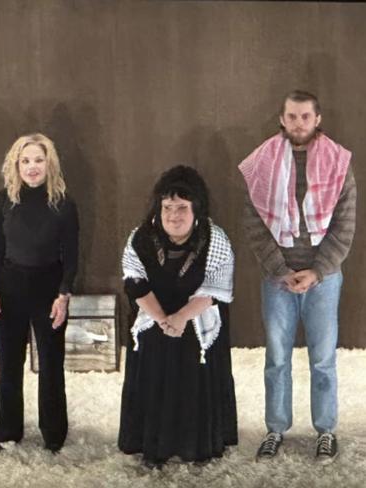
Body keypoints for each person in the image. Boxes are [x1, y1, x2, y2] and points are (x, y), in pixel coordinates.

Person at [240, 90, 356, 463]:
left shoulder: (339, 163)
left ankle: (326, 431)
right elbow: (253, 221)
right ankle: (275, 429)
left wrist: (318, 271)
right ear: (282, 118)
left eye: (305, 117)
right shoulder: (261, 163)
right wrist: (280, 269)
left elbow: (345, 225)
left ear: (317, 119)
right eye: (292, 116)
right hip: (278, 277)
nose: (298, 124)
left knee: (323, 359)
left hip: (324, 277)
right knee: (277, 358)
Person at [118, 165, 237, 469]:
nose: (174, 215)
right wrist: (162, 319)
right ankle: (151, 444)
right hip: (154, 314)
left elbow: (215, 289)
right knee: (154, 348)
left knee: (192, 356)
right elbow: (135, 283)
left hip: (196, 317)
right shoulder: (141, 238)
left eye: (182, 207)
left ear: (196, 210)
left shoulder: (215, 238)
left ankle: (195, 443)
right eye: (168, 207)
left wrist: (181, 318)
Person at [0, 133, 78, 453]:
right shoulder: (4, 199)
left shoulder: (64, 203)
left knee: (51, 365)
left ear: (48, 163)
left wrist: (64, 294)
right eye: (25, 161)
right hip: (10, 287)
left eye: (38, 160)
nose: (32, 166)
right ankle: (8, 431)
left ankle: (53, 433)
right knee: (8, 364)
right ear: (16, 165)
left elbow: (72, 255)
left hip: (49, 288)